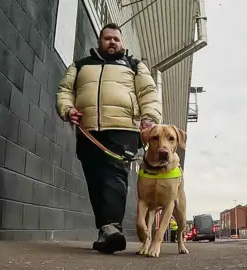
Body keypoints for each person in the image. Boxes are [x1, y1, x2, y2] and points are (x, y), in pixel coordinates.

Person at [56, 23, 162, 254]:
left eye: (116, 39)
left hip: (123, 129)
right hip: (89, 130)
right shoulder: (80, 65)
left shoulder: (134, 66)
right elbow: (65, 90)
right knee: (95, 180)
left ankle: (112, 228)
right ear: (99, 41)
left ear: (122, 43)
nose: (112, 42)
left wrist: (150, 117)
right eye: (108, 38)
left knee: (114, 176)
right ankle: (105, 231)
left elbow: (149, 93)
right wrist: (67, 109)